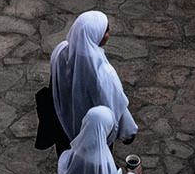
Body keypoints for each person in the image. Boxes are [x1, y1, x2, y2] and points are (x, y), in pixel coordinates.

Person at [36, 9, 138, 153]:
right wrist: (129, 131)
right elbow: (113, 103)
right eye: (105, 31)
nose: (108, 34)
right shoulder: (102, 72)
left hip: (63, 123)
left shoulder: (60, 52)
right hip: (92, 135)